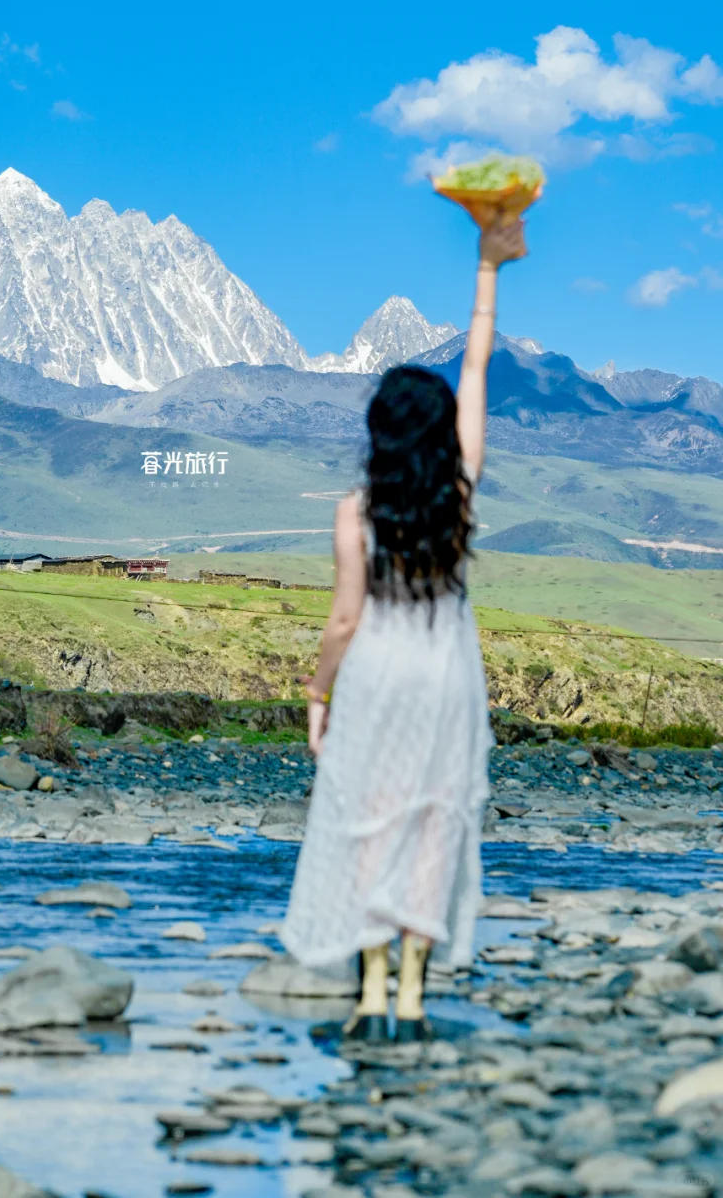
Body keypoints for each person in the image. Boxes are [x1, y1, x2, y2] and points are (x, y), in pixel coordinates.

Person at [280, 204, 527, 1043]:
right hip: (447, 674)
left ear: (379, 434)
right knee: (433, 822)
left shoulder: (356, 511)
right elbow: (479, 361)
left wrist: (317, 693)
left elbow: (345, 620)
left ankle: (372, 985)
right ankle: (417, 992)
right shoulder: (458, 491)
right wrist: (488, 267)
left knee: (368, 816)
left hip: (382, 673)